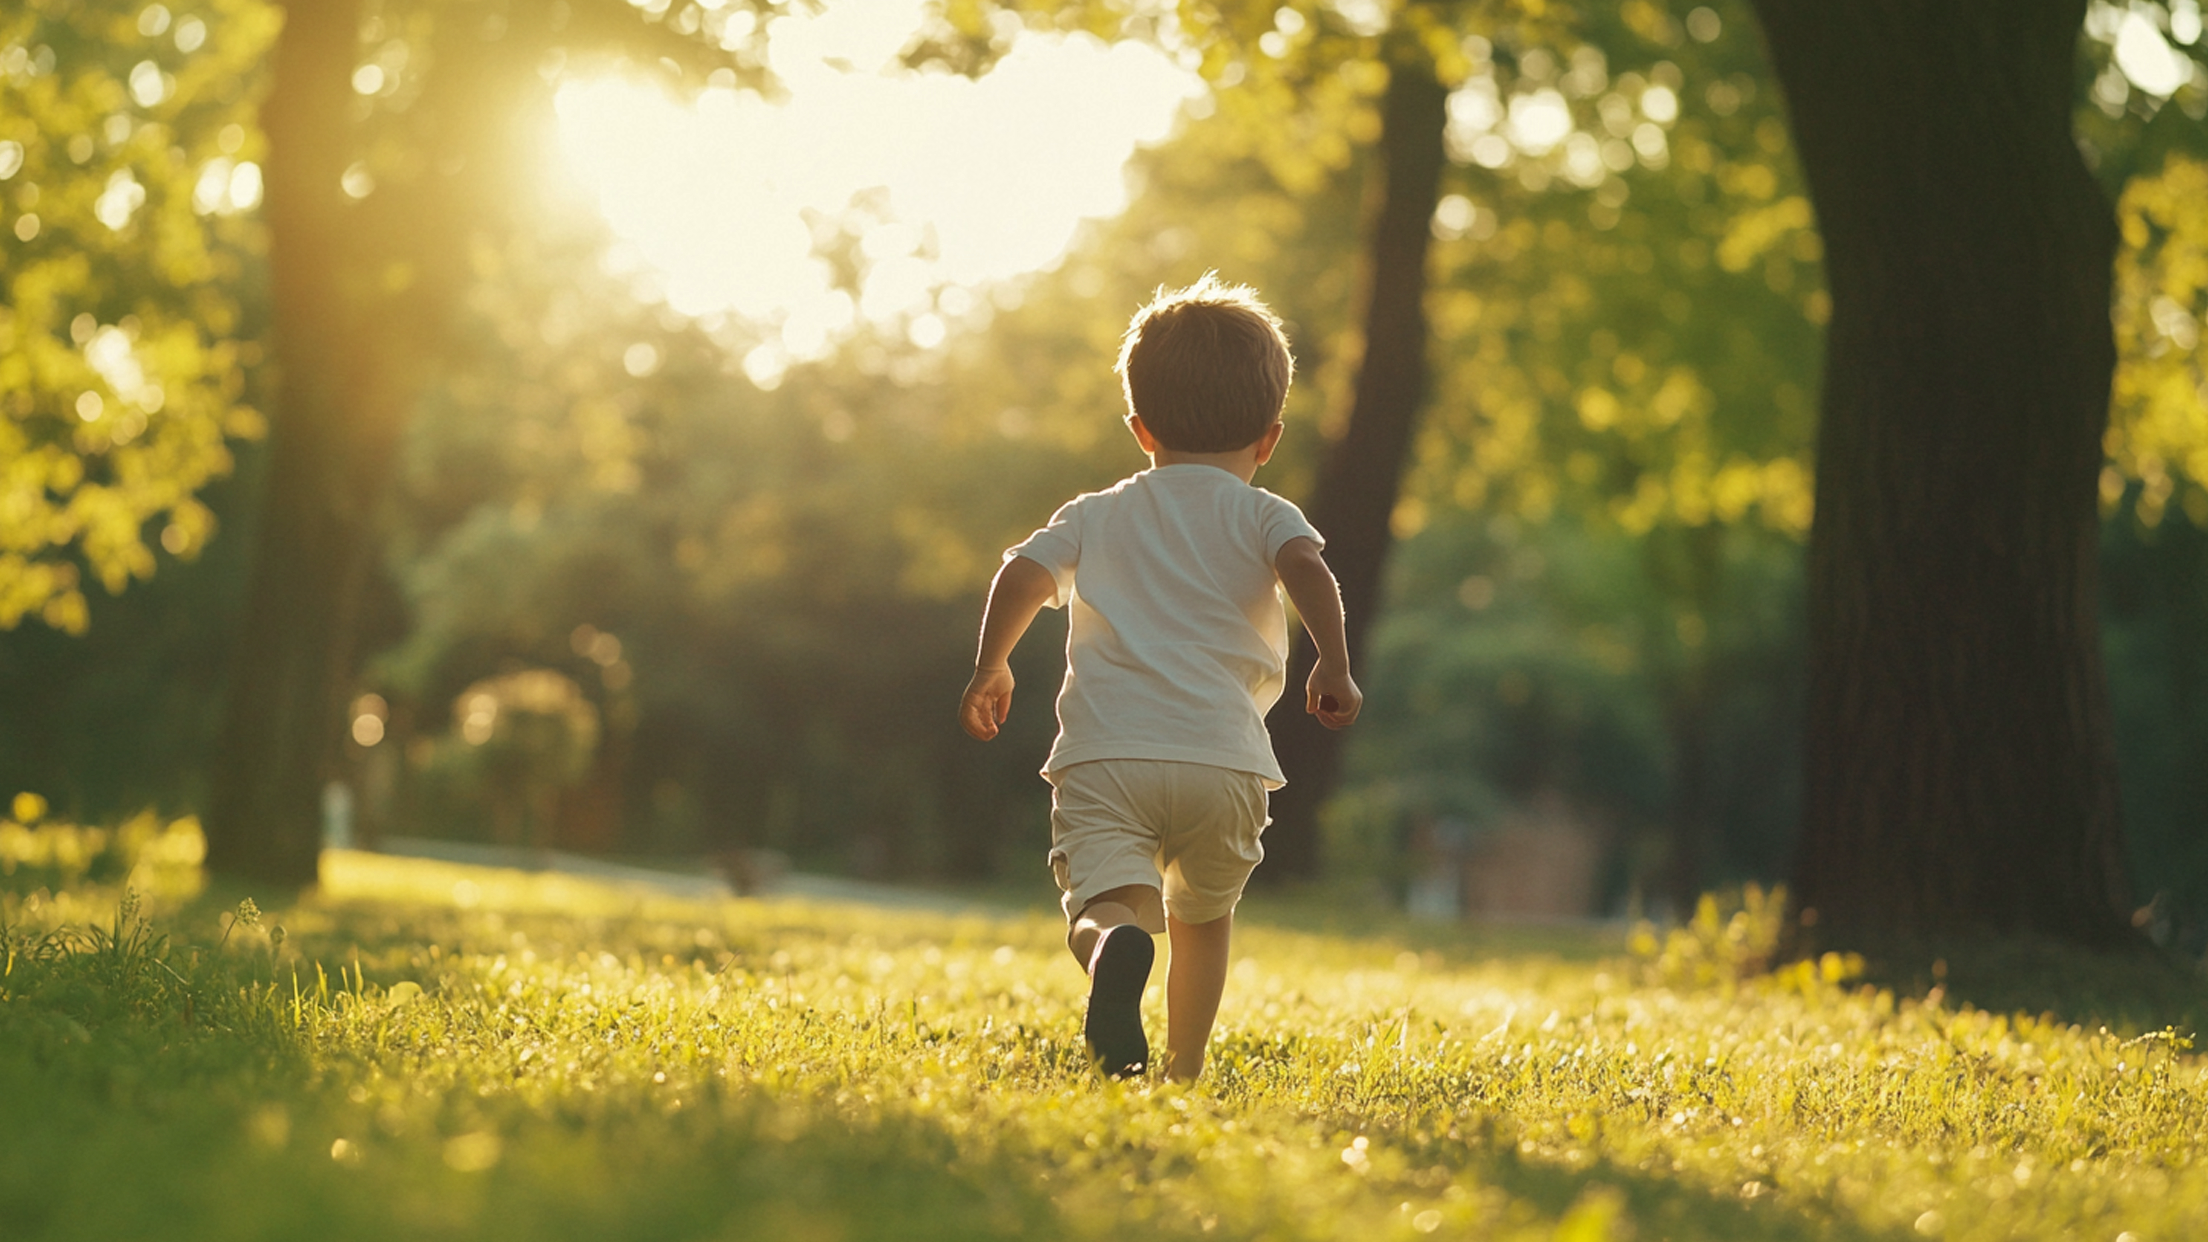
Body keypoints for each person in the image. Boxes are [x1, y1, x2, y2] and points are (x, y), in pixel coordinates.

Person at [957, 274, 1361, 1081]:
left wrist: (991, 664)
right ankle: (1180, 1071)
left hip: (1109, 757)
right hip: (1225, 761)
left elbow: (1022, 575)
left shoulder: (1096, 512)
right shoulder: (1265, 514)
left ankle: (1111, 947)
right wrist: (1334, 661)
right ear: (1269, 439)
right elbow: (1308, 568)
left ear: (1141, 429)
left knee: (1110, 906)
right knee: (1204, 921)